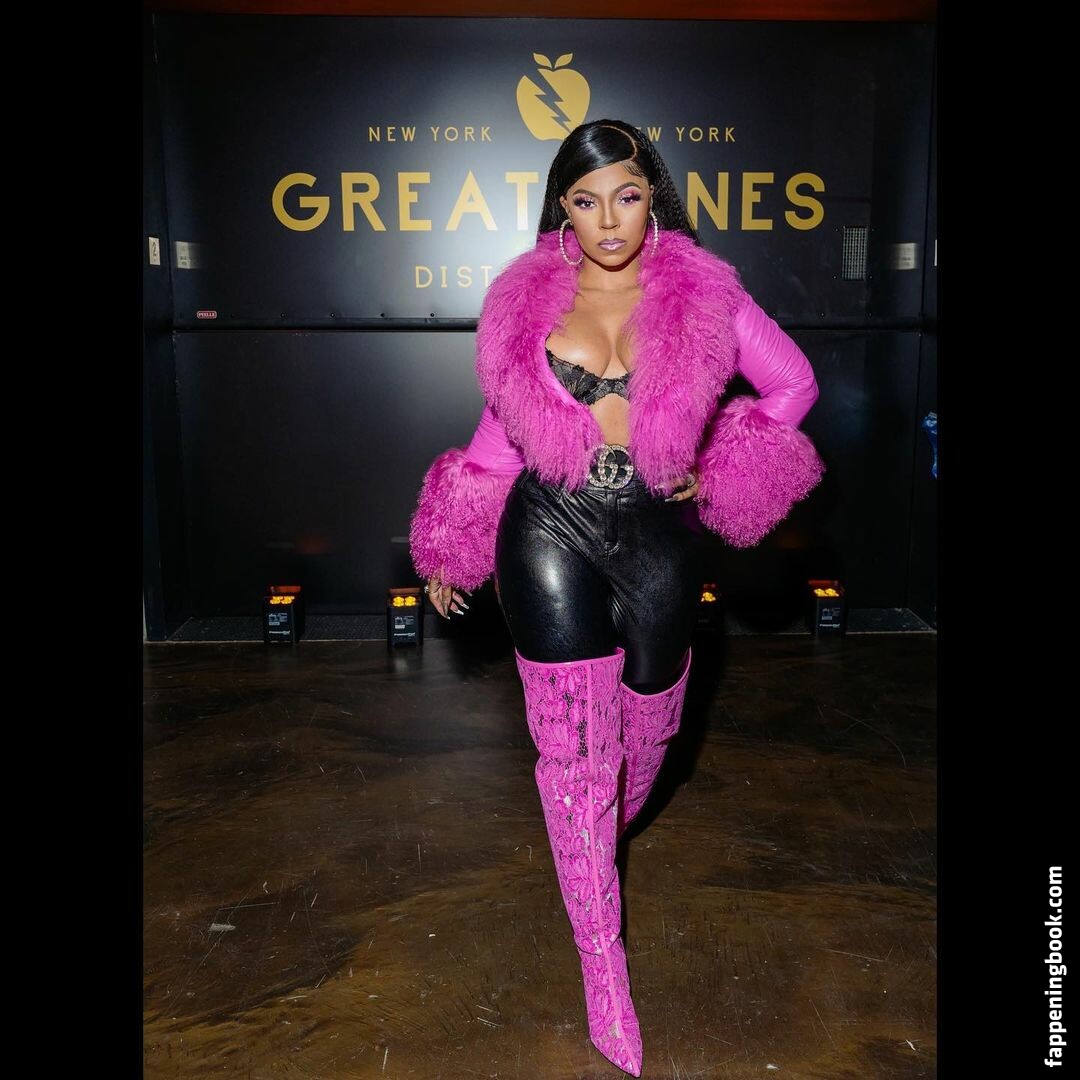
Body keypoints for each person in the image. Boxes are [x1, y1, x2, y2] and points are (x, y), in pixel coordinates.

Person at [409, 119, 823, 1077]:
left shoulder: (707, 293)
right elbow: (498, 438)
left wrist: (720, 462)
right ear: (562, 206)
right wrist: (453, 544)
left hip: (655, 533)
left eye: (627, 196)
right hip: (546, 528)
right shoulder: (520, 303)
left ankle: (594, 836)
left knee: (648, 734)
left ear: (653, 198)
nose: (608, 220)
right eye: (586, 200)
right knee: (575, 757)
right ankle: (603, 967)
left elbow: (793, 385)